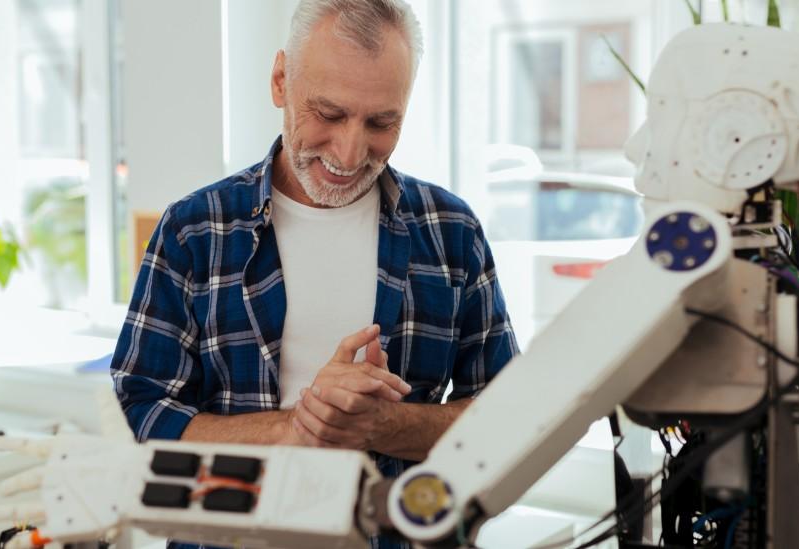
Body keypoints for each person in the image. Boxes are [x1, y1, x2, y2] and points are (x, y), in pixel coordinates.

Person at [111, 1, 517, 547]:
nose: (349, 152)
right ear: (281, 81)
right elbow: (137, 415)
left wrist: (385, 426)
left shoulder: (452, 231)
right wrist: (299, 428)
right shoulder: (195, 231)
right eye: (328, 113)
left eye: (381, 122)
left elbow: (509, 418)